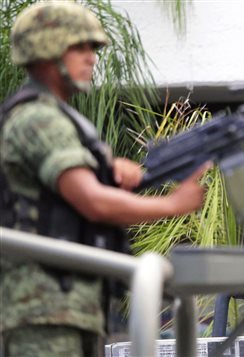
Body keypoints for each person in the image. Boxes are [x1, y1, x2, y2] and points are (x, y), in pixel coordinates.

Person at [0, 2, 209, 356]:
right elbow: (93, 201)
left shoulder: (60, 118)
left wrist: (117, 171)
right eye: (79, 47)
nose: (91, 58)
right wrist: (172, 205)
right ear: (47, 50)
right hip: (42, 308)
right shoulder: (37, 117)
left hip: (71, 304)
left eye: (92, 49)